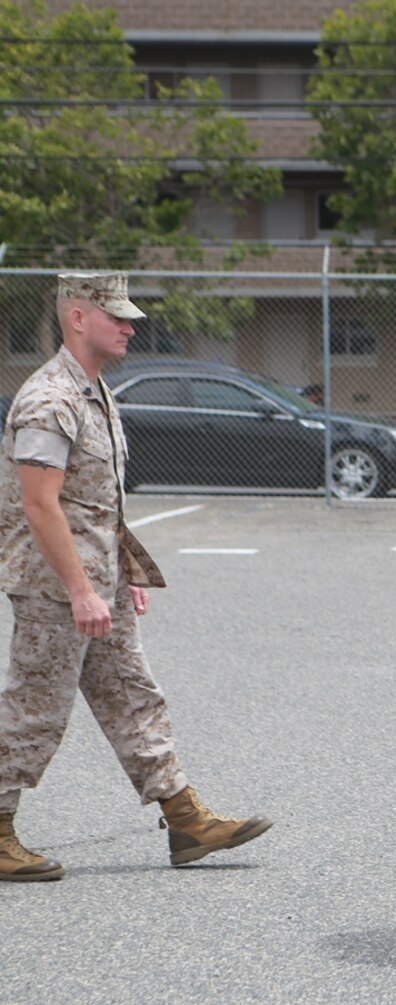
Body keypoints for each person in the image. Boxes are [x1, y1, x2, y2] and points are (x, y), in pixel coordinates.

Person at [0, 273, 273, 881]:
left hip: (100, 583)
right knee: (34, 710)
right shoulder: (50, 399)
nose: (130, 326)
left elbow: (96, 502)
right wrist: (78, 588)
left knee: (133, 694)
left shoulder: (96, 391)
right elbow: (39, 505)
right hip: (56, 588)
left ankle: (185, 818)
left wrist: (123, 572)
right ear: (77, 318)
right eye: (116, 316)